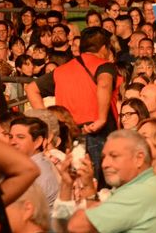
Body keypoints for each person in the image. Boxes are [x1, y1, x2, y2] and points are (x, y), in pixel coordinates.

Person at [26, 27, 119, 180]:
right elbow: (104, 84)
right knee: (98, 185)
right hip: (96, 133)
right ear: (104, 48)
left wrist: (50, 122)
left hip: (69, 136)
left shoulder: (61, 70)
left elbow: (31, 89)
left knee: (75, 182)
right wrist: (102, 119)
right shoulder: (104, 65)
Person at [8, 116, 59, 207]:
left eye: (20, 137)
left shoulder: (38, 173)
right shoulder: (26, 166)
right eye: (10, 137)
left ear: (38, 142)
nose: (12, 142)